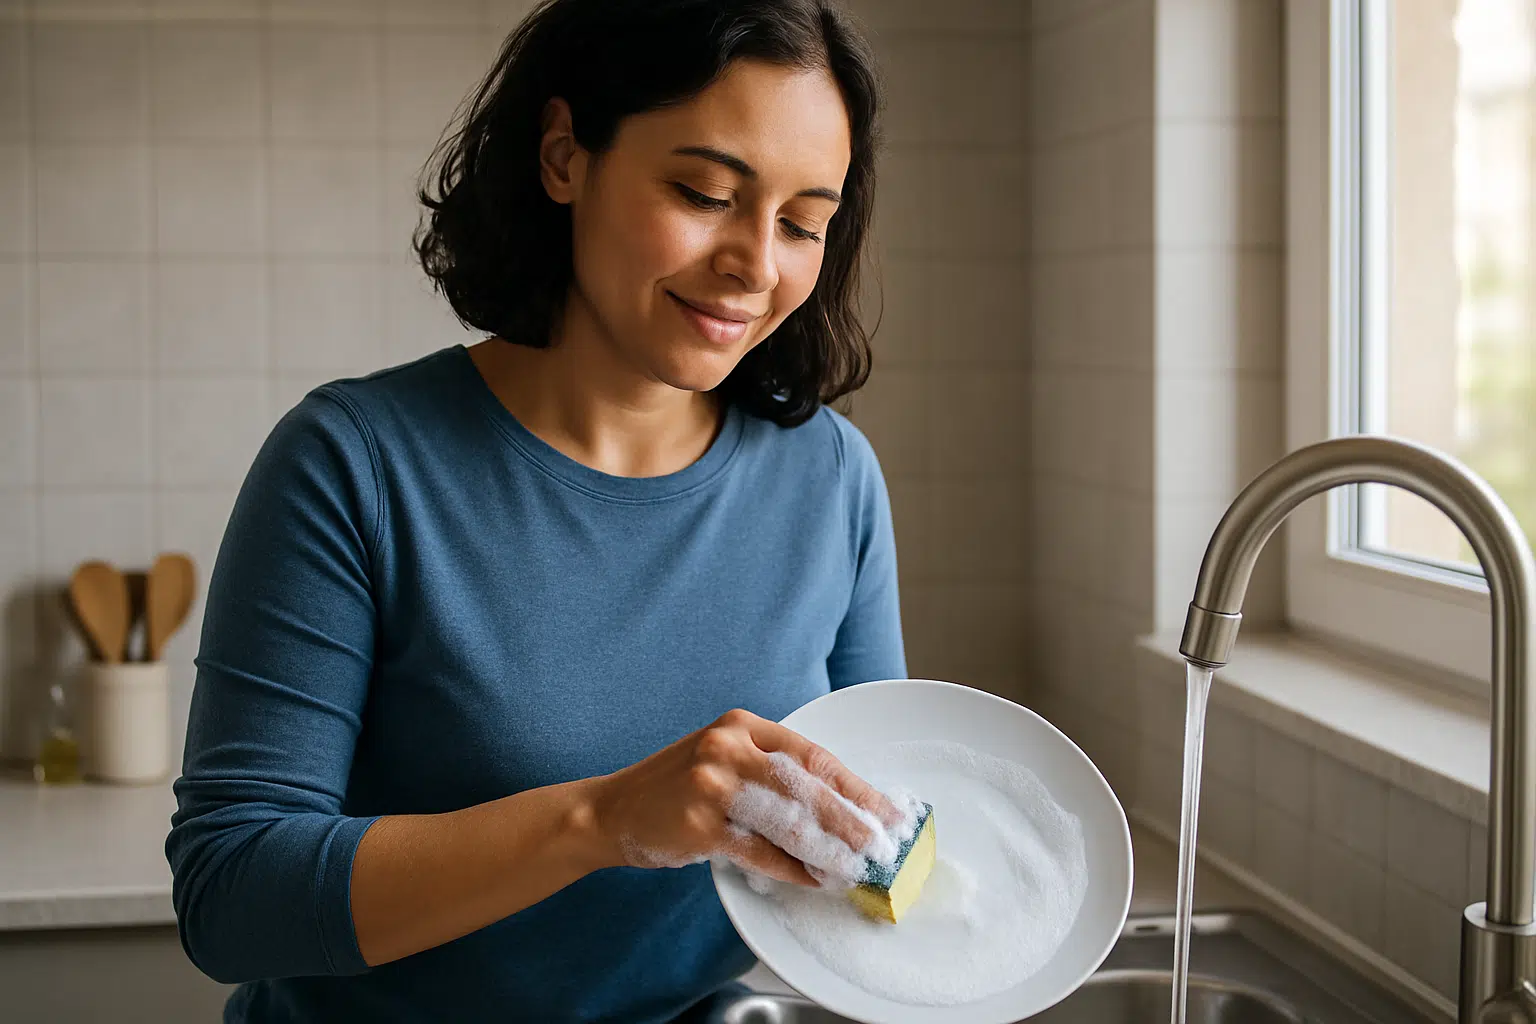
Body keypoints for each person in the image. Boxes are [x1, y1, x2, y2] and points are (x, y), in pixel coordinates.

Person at [165, 1, 905, 1020]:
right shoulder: (354, 465)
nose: (757, 262)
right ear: (565, 156)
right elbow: (230, 896)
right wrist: (601, 819)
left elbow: (867, 854)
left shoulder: (833, 481)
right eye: (705, 193)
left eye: (803, 222)